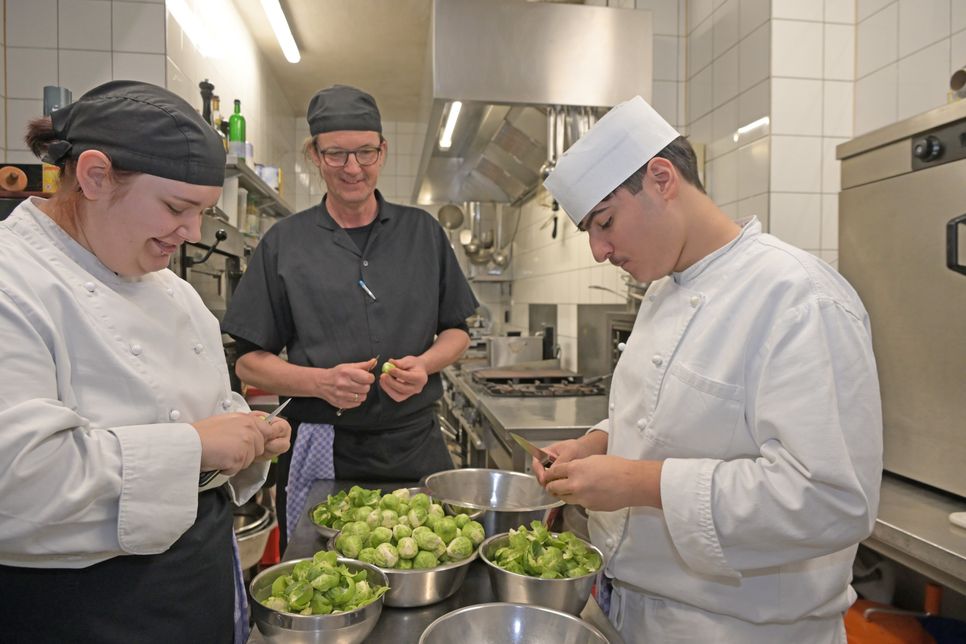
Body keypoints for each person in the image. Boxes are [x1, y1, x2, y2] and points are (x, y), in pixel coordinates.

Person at [537, 96, 883, 643]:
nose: (599, 251)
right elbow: (668, 414)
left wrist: (636, 482)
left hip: (732, 628)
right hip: (622, 605)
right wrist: (595, 444)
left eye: (604, 223)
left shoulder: (799, 297)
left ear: (661, 178)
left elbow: (829, 500)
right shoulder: (663, 289)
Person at [0, 81, 291, 644]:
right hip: (87, 610)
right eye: (178, 208)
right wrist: (199, 445)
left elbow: (207, 408)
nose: (193, 234)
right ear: (94, 176)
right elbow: (18, 481)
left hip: (197, 579)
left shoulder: (169, 289)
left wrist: (248, 431)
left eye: (202, 212)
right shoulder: (14, 283)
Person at [222, 84, 478, 548]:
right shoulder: (285, 244)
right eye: (337, 154)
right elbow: (248, 362)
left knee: (424, 560)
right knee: (321, 577)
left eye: (365, 152)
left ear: (383, 151)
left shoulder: (423, 234)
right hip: (323, 445)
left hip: (415, 444)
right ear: (315, 155)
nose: (353, 168)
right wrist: (320, 382)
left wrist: (426, 364)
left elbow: (457, 331)